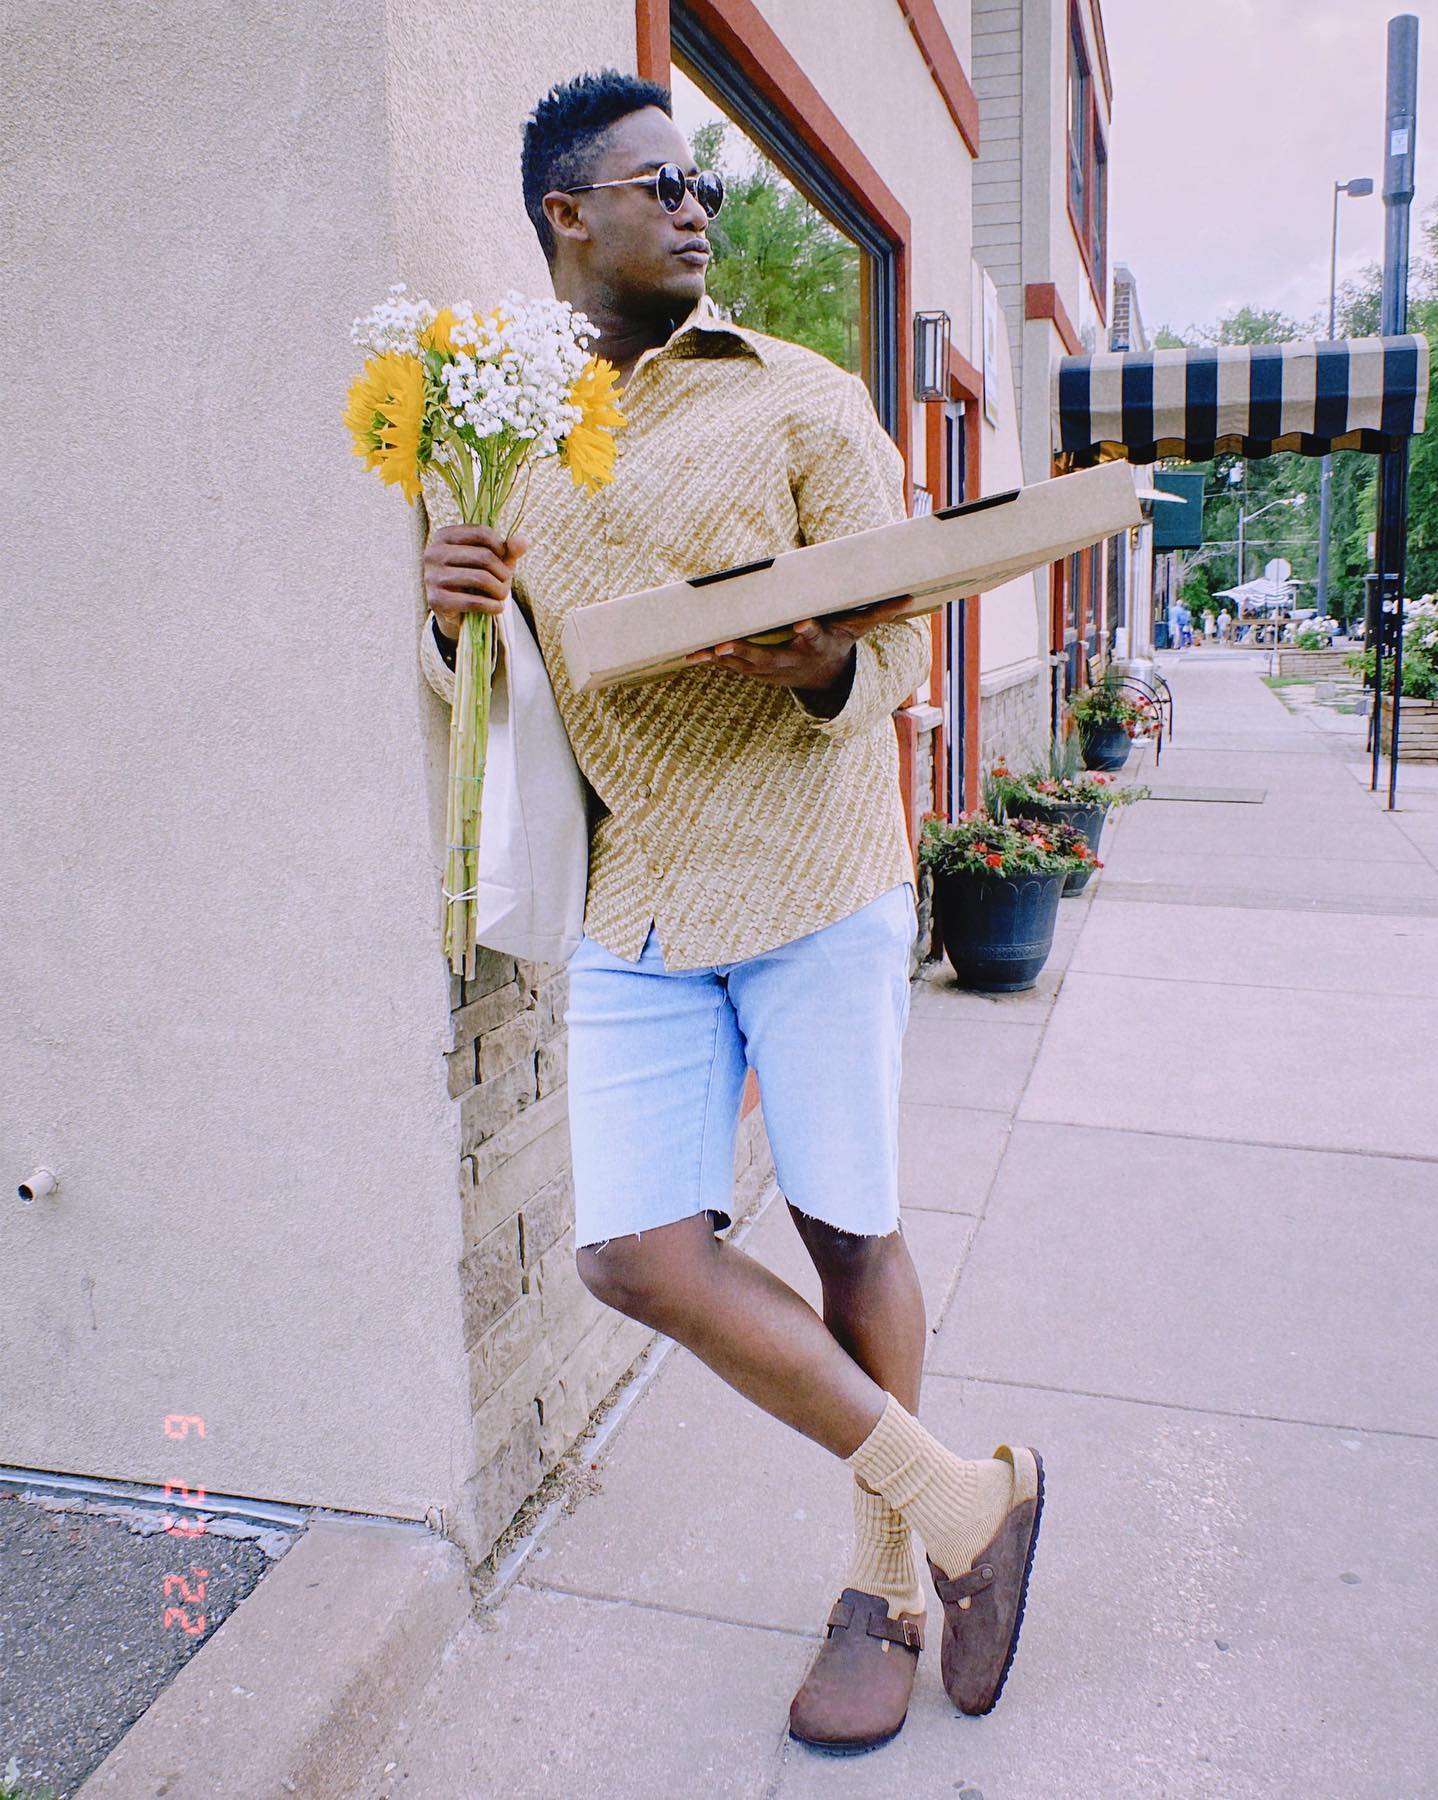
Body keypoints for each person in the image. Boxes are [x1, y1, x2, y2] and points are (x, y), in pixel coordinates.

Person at [416, 70, 1042, 1754]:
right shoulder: (491, 435)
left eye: (700, 183)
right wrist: (447, 611)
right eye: (656, 184)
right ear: (569, 216)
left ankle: (883, 1586)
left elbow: (906, 636)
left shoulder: (802, 397)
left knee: (847, 1231)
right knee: (635, 1259)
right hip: (635, 895)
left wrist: (833, 659)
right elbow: (498, 689)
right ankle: (968, 1502)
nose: (694, 208)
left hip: (811, 870)